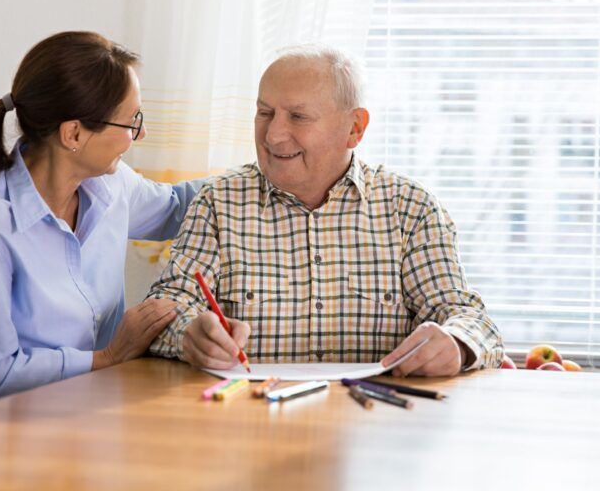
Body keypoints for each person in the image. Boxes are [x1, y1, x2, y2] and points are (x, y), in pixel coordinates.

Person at [147, 44, 503, 377]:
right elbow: (165, 310)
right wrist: (188, 335)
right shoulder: (216, 202)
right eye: (265, 113)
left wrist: (456, 343)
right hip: (249, 421)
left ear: (354, 128)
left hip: (373, 425)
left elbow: (470, 319)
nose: (273, 135)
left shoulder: (410, 209)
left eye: (298, 117)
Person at [0, 31, 203, 419]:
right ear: (74, 134)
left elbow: (179, 207)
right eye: (130, 121)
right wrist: (108, 356)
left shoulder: (110, 186)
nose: (140, 133)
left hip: (75, 419)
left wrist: (264, 169)